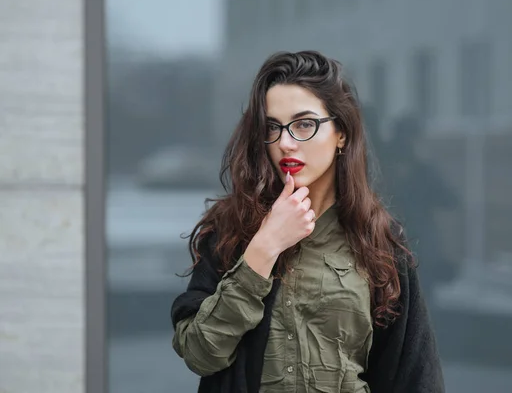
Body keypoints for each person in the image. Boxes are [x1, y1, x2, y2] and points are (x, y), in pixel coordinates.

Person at [170, 51, 444, 393]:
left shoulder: (377, 239)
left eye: (304, 124)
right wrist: (264, 248)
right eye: (273, 127)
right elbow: (201, 354)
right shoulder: (231, 231)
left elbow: (415, 375)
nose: (285, 143)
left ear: (340, 132)